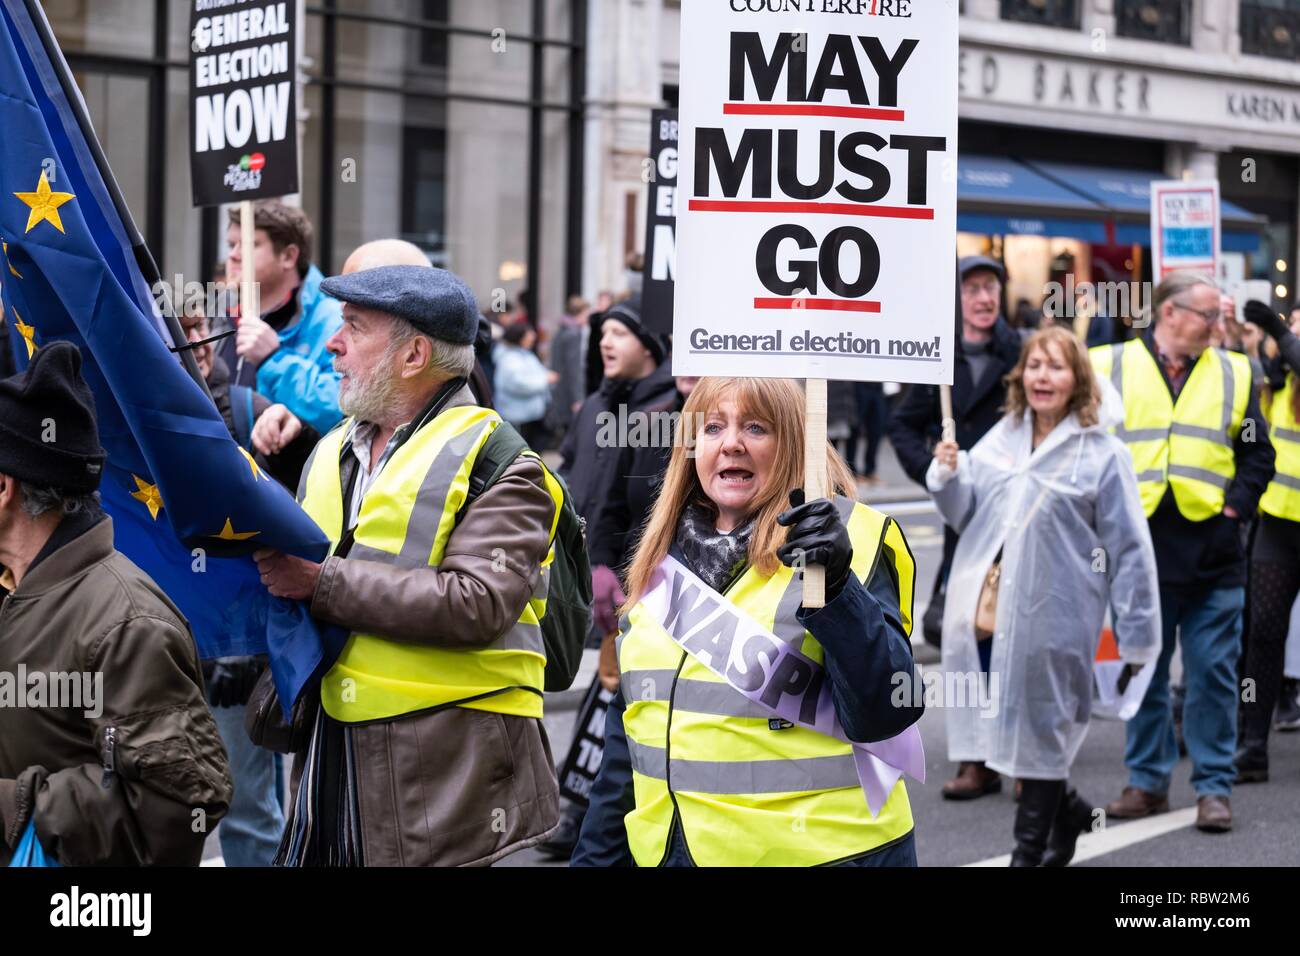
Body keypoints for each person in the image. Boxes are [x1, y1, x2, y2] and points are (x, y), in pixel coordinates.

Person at [250, 265, 563, 866]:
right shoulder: (333, 447)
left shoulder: (502, 462)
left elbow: (477, 603)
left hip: (440, 770)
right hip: (330, 745)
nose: (330, 343)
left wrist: (320, 584)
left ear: (414, 354)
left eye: (353, 328)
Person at [571, 377, 923, 867]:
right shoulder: (658, 555)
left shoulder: (850, 540)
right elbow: (630, 737)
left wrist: (840, 590)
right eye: (712, 427)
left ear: (794, 443)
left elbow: (886, 710)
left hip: (829, 856)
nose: (731, 442)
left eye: (756, 427)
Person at [927, 327, 1160, 866]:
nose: (1042, 377)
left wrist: (1138, 634)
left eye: (1055, 367)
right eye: (1034, 366)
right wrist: (947, 474)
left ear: (1079, 378)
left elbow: (1129, 550)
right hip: (991, 614)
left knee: (1043, 729)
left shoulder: (1102, 453)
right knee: (1014, 730)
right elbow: (967, 513)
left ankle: (1025, 854)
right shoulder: (1004, 437)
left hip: (1060, 615)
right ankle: (1070, 813)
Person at [0, 343, 232, 865]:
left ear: (2, 487)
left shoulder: (127, 624)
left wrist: (16, 805)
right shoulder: (15, 585)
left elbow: (175, 810)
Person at [1091, 272, 1276, 833]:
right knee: (1142, 672)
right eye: (1208, 315)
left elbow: (1257, 457)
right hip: (1137, 549)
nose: (1219, 325)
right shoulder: (1107, 365)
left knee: (1214, 674)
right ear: (1169, 314)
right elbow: (1084, 449)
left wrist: (1234, 512)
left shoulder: (1236, 369)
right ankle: (1146, 782)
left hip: (1213, 549)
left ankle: (1213, 787)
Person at [541, 295, 674, 858]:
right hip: (589, 572)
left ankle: (590, 813)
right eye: (603, 334)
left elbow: (638, 503)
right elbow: (574, 474)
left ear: (649, 344)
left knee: (620, 700)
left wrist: (620, 572)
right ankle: (583, 806)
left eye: (620, 332)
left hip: (638, 583)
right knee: (607, 696)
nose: (606, 342)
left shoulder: (669, 406)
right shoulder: (597, 403)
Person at [888, 254, 1023, 798]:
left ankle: (1022, 755)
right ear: (958, 299)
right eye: (973, 290)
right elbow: (901, 425)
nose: (984, 298)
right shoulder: (935, 359)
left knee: (1018, 637)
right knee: (968, 636)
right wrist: (933, 473)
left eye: (991, 288)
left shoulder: (1023, 354)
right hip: (966, 518)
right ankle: (975, 758)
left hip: (1020, 514)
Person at [177, 306, 287, 867]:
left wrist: (256, 648)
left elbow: (303, 530)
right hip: (166, 648)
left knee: (251, 811)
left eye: (200, 328)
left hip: (241, 649)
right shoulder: (132, 422)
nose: (195, 340)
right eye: (178, 327)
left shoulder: (253, 413)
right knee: (170, 810)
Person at [1234, 302, 1300, 781]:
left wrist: (1279, 330)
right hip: (1278, 525)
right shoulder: (1277, 384)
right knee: (1263, 639)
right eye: (1292, 325)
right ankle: (1252, 745)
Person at [217, 200, 344, 435]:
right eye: (231, 245)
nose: (233, 256)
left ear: (288, 256)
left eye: (247, 245)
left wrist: (273, 360)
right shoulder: (216, 316)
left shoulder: (333, 320)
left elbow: (343, 408)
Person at [493, 321, 558, 449]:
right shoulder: (509, 359)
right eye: (529, 335)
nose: (532, 337)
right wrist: (545, 380)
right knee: (522, 449)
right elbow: (519, 384)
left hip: (529, 414)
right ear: (520, 337)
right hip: (518, 416)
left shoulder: (523, 354)